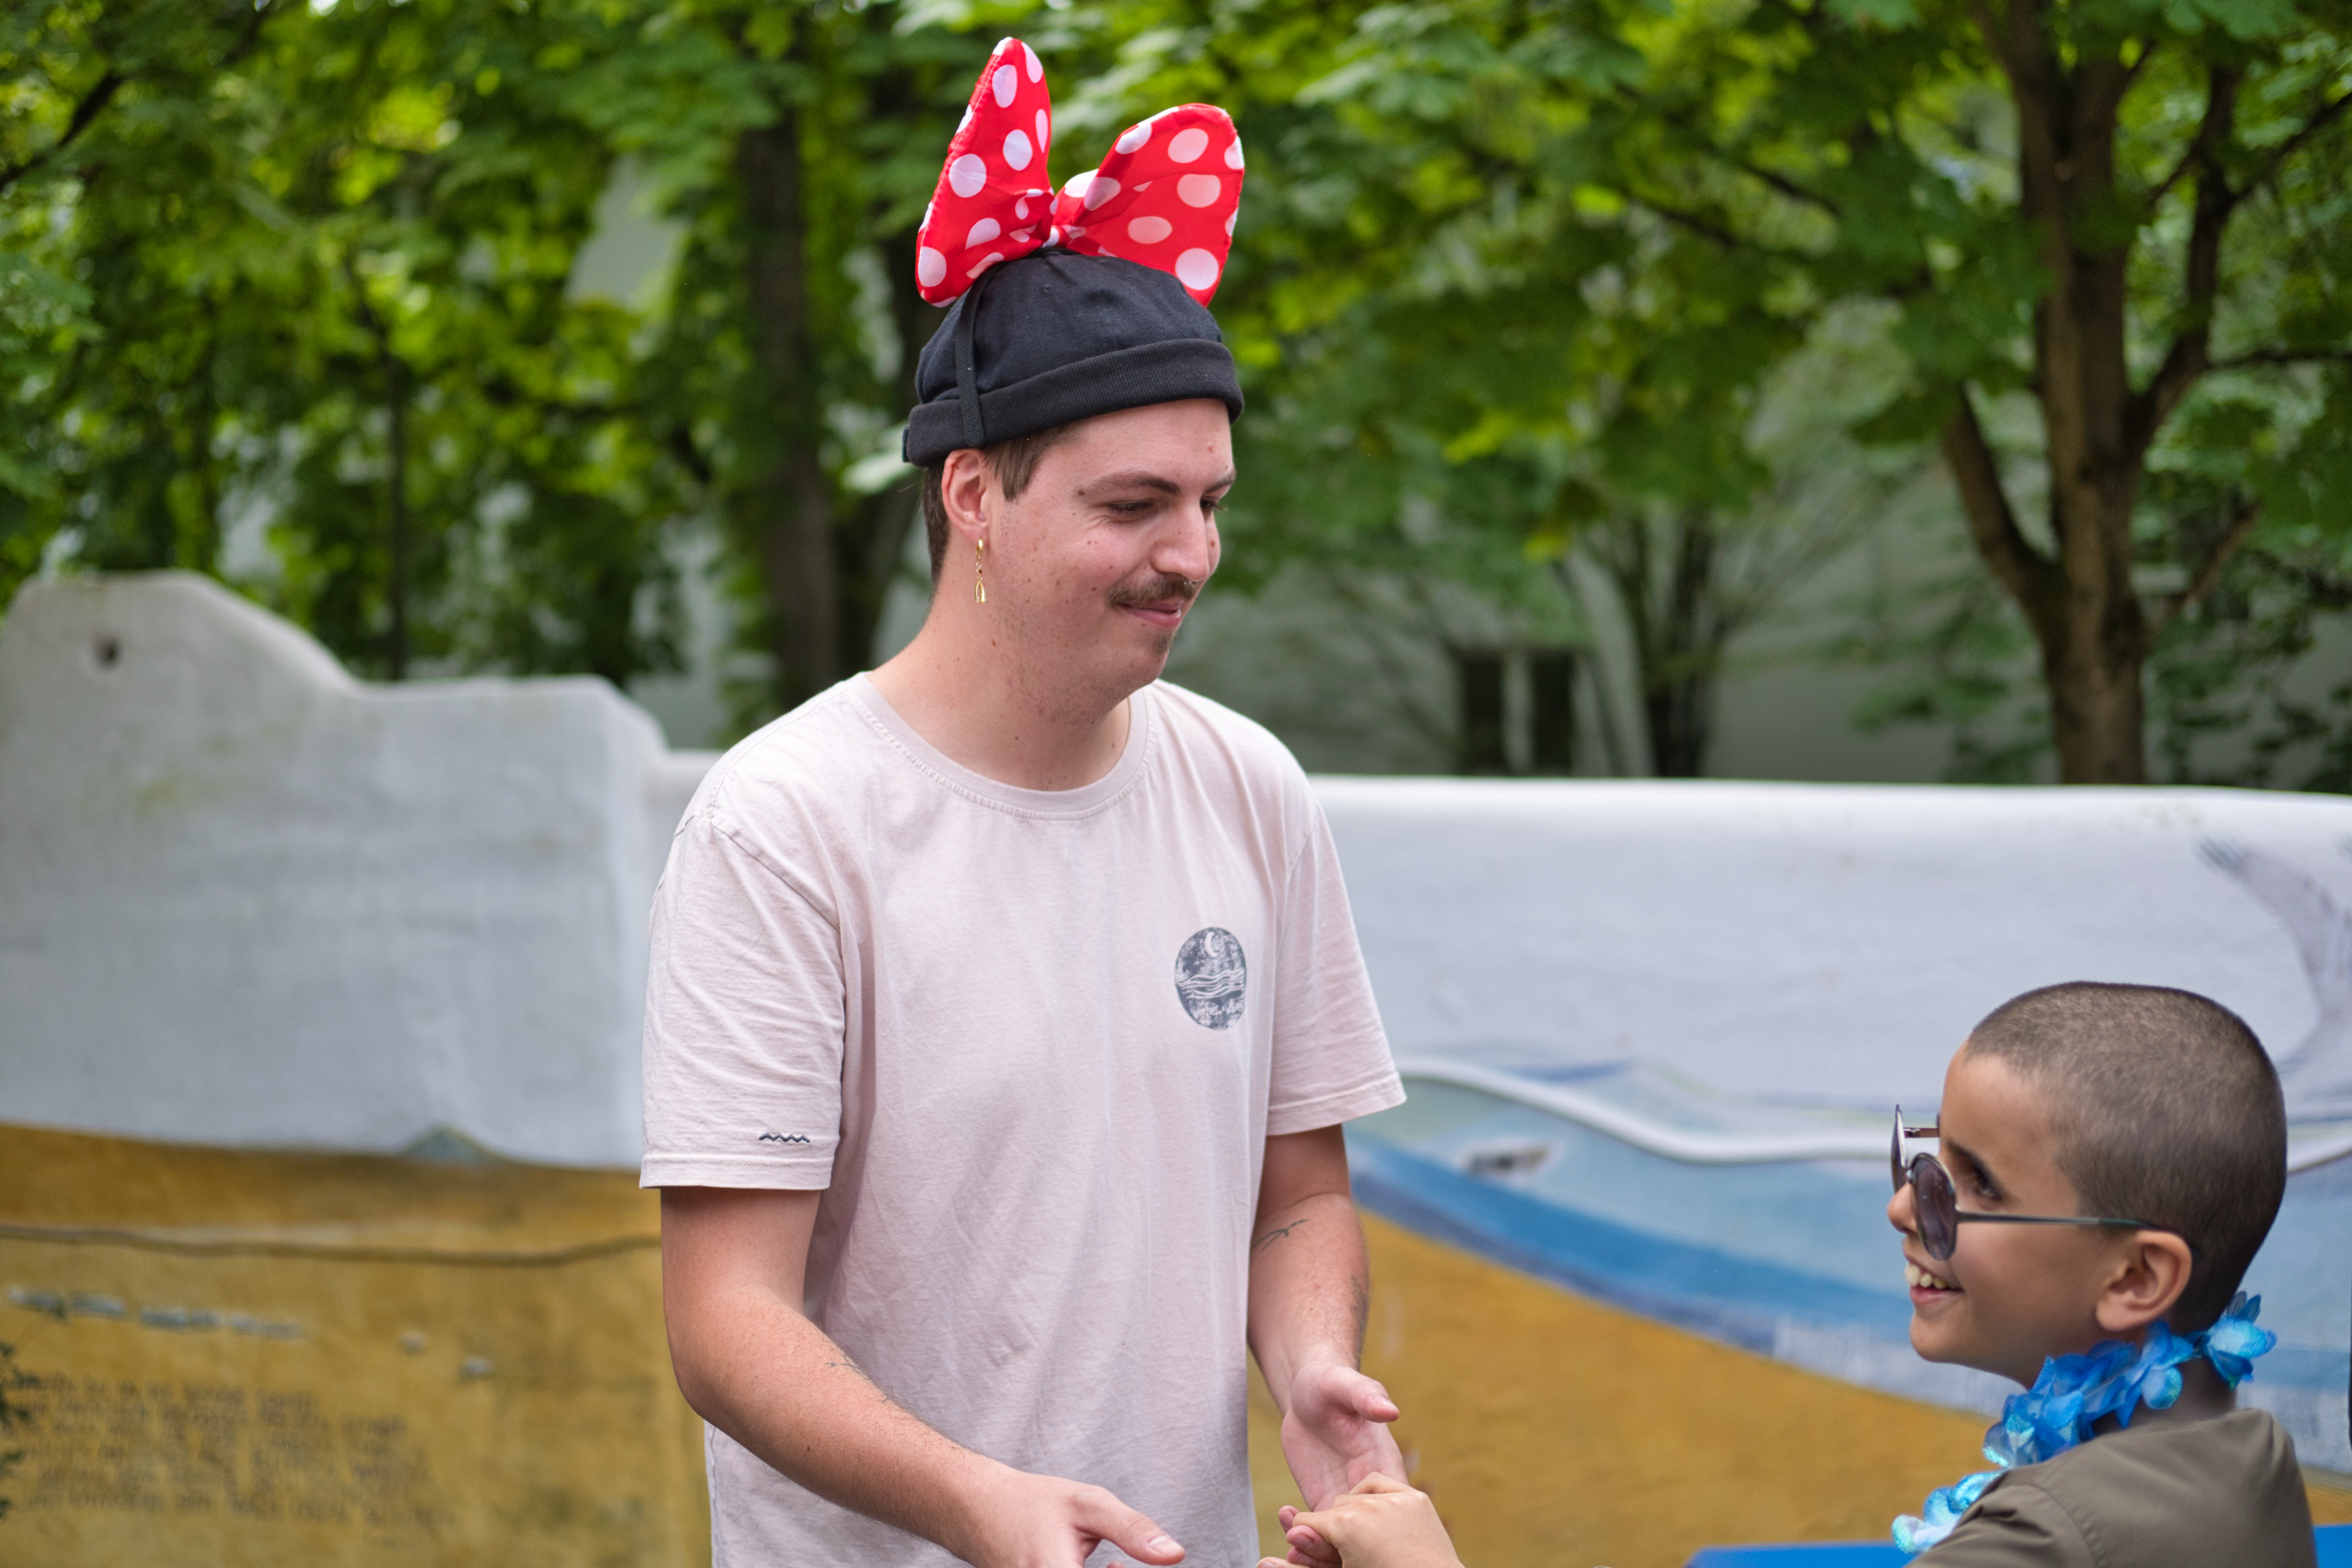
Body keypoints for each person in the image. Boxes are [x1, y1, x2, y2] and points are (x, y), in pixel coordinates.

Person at [640, 38, 1408, 1568]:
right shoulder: (782, 824)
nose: (1188, 553)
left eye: (1208, 503)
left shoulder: (1246, 787)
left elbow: (1293, 1202)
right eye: (1131, 506)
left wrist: (1313, 1365)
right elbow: (724, 1317)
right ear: (973, 498)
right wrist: (970, 1497)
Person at [1264, 982, 2316, 1568]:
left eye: (1968, 1187)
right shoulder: (2237, 1447)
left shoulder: (2046, 1544)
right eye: (1921, 1157)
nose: (1904, 1206)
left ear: (2136, 1275)